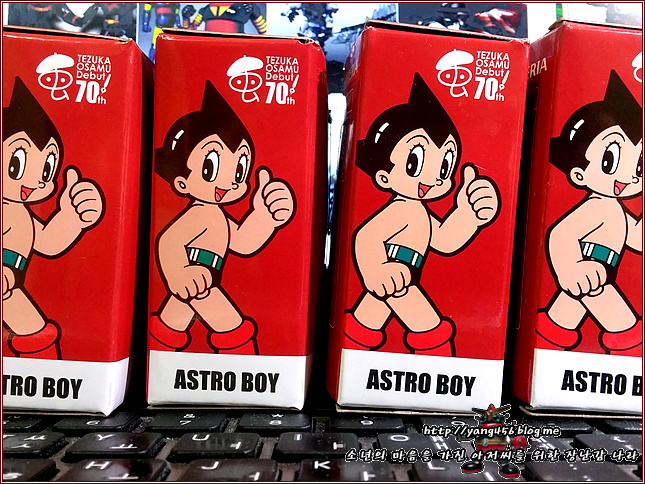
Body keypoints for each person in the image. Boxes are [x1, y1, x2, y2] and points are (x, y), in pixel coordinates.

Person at [344, 73, 499, 356]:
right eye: (415, 162)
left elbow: (444, 241)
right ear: (383, 177)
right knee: (428, 326)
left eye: (444, 167)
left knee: (366, 320)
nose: (435, 178)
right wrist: (377, 270)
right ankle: (441, 365)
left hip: (402, 275)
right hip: (394, 275)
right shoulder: (400, 210)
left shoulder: (420, 214)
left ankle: (352, 360)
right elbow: (365, 237)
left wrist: (468, 216)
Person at [150, 81, 295, 355]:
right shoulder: (198, 214)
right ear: (181, 183)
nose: (230, 182)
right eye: (211, 167)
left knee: (171, 323)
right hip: (196, 278)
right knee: (231, 325)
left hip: (203, 278)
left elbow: (242, 242)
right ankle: (244, 366)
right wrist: (180, 274)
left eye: (239, 169)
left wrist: (265, 218)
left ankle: (162, 361)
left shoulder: (217, 216)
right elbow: (168, 242)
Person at [538, 70, 642, 356]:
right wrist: (571, 269)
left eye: (639, 165)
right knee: (625, 328)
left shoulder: (616, 209)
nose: (631, 176)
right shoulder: (596, 207)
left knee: (560, 321)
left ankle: (545, 355)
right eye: (610, 160)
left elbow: (635, 237)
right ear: (579, 175)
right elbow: (560, 235)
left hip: (598, 274)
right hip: (590, 275)